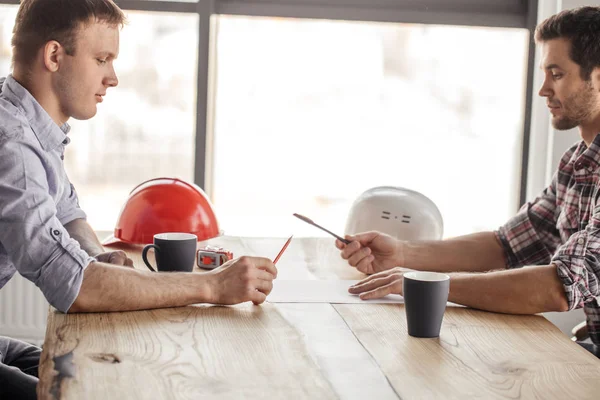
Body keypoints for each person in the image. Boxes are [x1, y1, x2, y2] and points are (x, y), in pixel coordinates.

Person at [0, 1, 277, 398]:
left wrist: (98, 255)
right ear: (55, 55)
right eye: (101, 59)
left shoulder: (24, 119)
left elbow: (67, 212)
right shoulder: (11, 144)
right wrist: (213, 288)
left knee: (88, 371)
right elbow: (75, 287)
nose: (112, 77)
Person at [339, 6, 600, 357]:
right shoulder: (577, 164)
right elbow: (508, 246)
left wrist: (427, 284)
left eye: (556, 74)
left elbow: (558, 287)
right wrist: (403, 254)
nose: (542, 90)